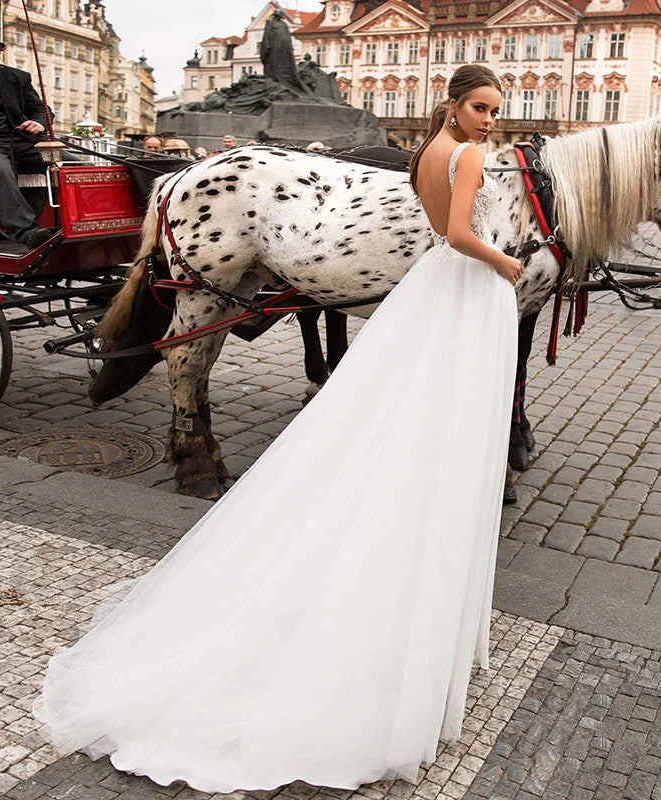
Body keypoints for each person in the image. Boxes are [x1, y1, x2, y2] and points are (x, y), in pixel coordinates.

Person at [33, 65, 524, 792]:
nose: (490, 120)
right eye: (480, 107)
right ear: (453, 106)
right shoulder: (470, 156)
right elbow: (455, 235)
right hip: (461, 284)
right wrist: (508, 259)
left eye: (494, 109)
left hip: (431, 289)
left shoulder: (426, 151)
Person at [0, 28, 53, 250]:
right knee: (0, 169)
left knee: (66, 160)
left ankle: (74, 220)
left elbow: (41, 109)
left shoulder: (16, 77)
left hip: (18, 139)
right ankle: (24, 230)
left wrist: (39, 123)